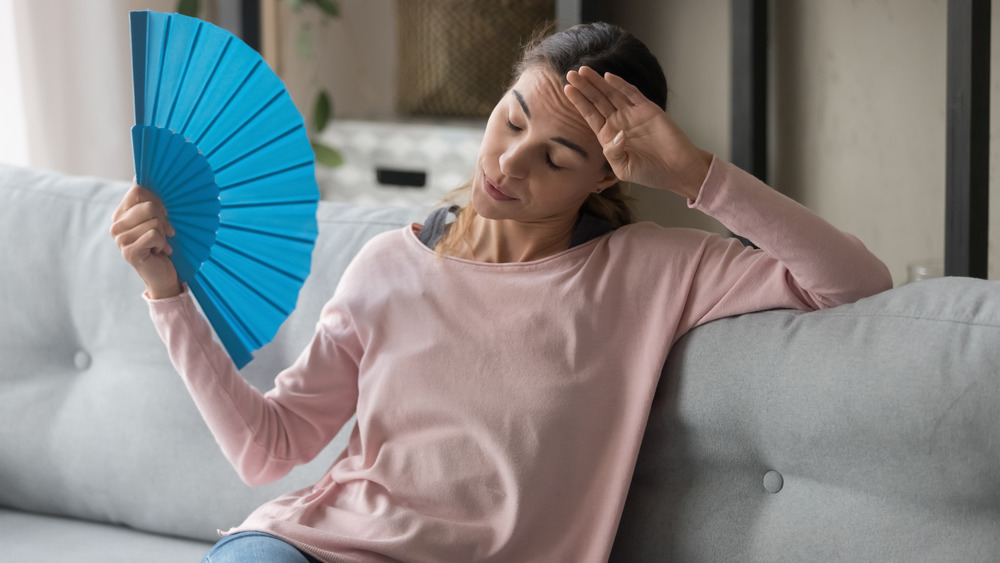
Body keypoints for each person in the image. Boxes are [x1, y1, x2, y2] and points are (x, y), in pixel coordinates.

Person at [110, 22, 891, 563]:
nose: (510, 164)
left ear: (606, 174)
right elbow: (265, 448)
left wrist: (693, 174)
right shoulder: (390, 262)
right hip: (308, 544)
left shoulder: (651, 270)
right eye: (510, 119)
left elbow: (853, 281)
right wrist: (167, 291)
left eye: (556, 158)